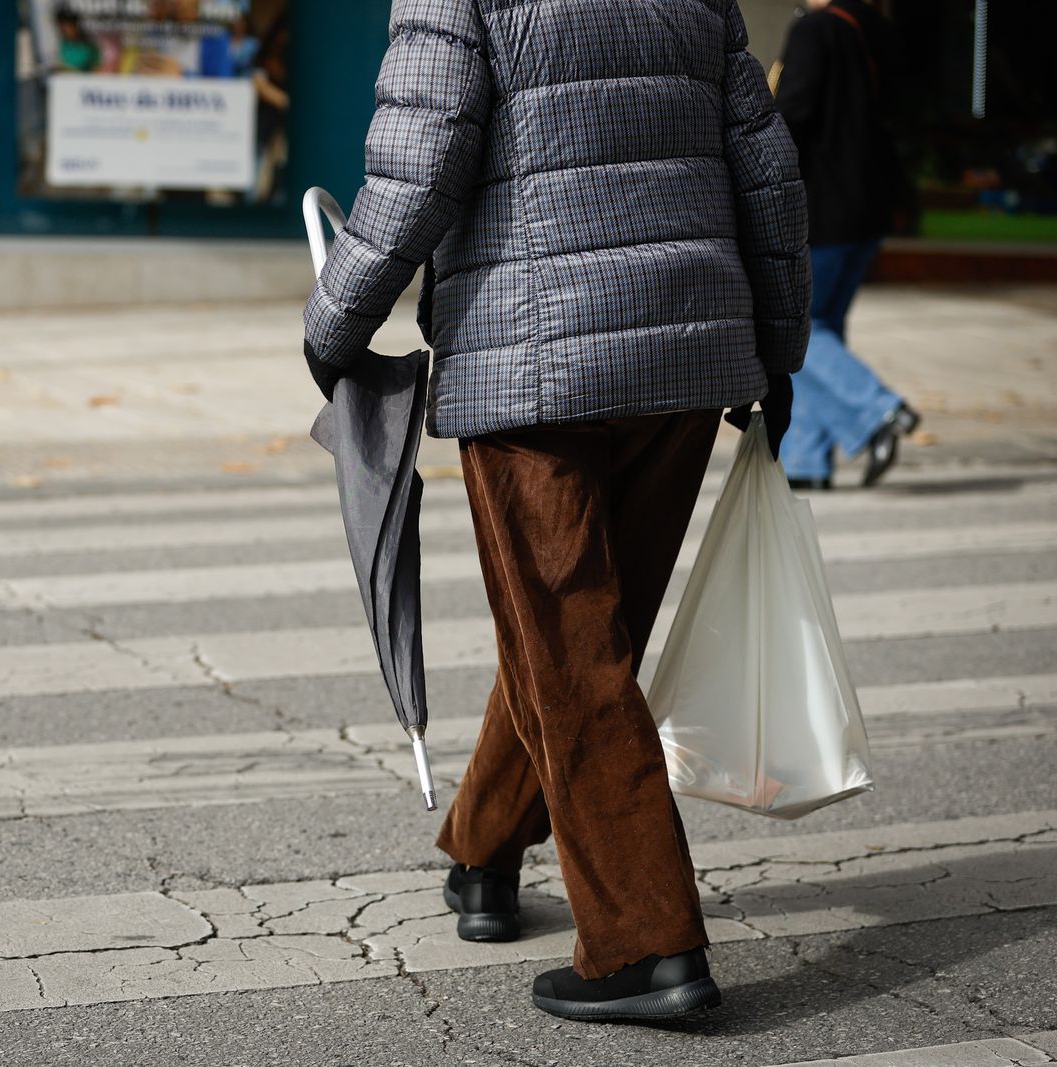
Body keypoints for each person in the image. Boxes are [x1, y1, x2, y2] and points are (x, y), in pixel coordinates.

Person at [302, 0, 809, 1023]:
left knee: (573, 650)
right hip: (681, 355)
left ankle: (643, 943)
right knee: (576, 640)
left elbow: (422, 152)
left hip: (529, 362)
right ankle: (485, 852)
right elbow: (764, 167)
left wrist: (334, 323)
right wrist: (776, 345)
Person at [774, 0, 920, 489]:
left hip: (824, 209)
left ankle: (877, 408)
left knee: (795, 330)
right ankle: (805, 463)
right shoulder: (877, 29)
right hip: (868, 209)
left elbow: (794, 115)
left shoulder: (815, 30)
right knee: (823, 328)